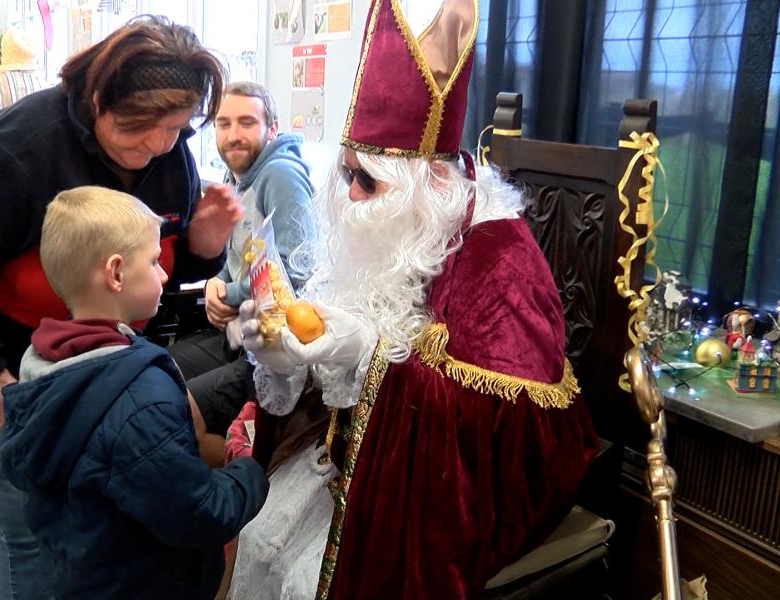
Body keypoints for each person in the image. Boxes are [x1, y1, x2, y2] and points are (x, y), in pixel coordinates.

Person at [230, 1, 600, 599]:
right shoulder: (384, 225)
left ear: (431, 182)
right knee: (262, 536)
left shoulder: (498, 250)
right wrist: (287, 364)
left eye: (366, 181)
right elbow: (336, 367)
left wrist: (368, 352)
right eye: (345, 172)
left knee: (305, 583)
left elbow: (520, 429)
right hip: (359, 454)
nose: (349, 197)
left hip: (450, 488)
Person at [0, 15, 239, 600]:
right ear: (100, 100)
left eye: (176, 129)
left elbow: (140, 273)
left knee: (107, 540)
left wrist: (200, 250)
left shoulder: (167, 150)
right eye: (142, 130)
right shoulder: (22, 150)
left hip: (112, 374)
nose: (159, 146)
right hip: (18, 378)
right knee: (31, 538)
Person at [0, 186, 268, 599]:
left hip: (83, 574)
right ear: (116, 273)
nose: (164, 274)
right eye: (155, 261)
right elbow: (200, 514)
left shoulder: (42, 362)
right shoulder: (137, 403)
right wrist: (251, 468)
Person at [169, 81, 314, 444]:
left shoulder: (280, 174)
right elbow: (232, 256)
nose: (233, 135)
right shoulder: (234, 180)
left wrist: (229, 292)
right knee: (154, 374)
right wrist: (215, 282)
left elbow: (296, 272)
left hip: (269, 351)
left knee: (176, 410)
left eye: (247, 122)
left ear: (272, 128)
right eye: (223, 123)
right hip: (233, 335)